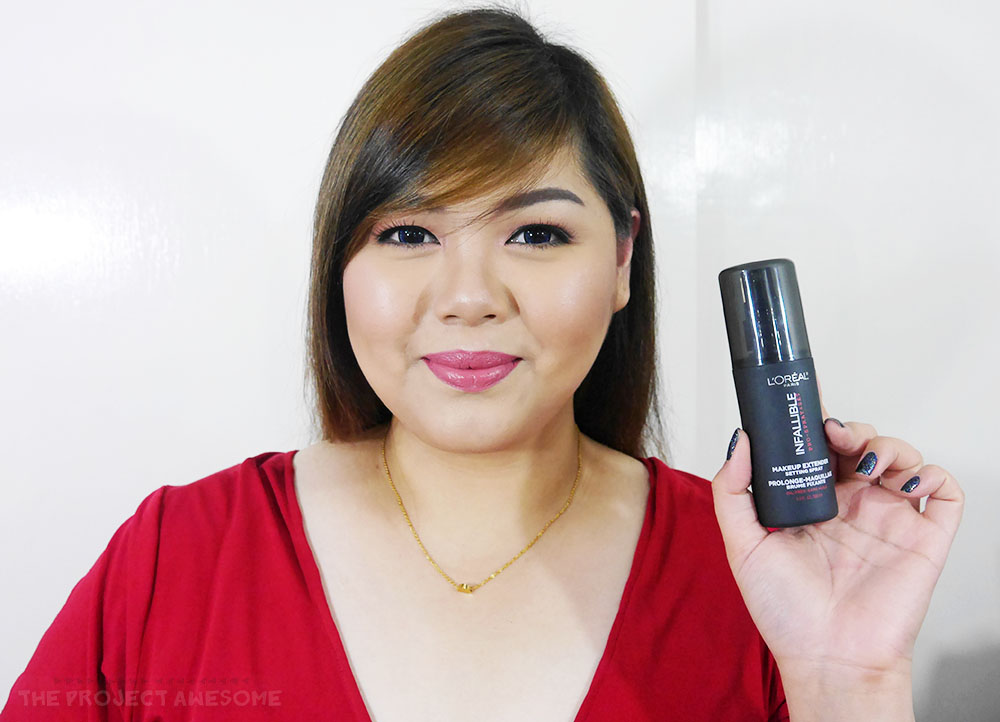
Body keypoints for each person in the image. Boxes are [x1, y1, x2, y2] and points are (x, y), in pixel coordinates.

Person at [2, 5, 964, 721]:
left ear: (622, 261)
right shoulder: (177, 561)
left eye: (536, 234)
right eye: (408, 232)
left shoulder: (757, 580)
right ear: (338, 265)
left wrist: (849, 681)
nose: (468, 296)